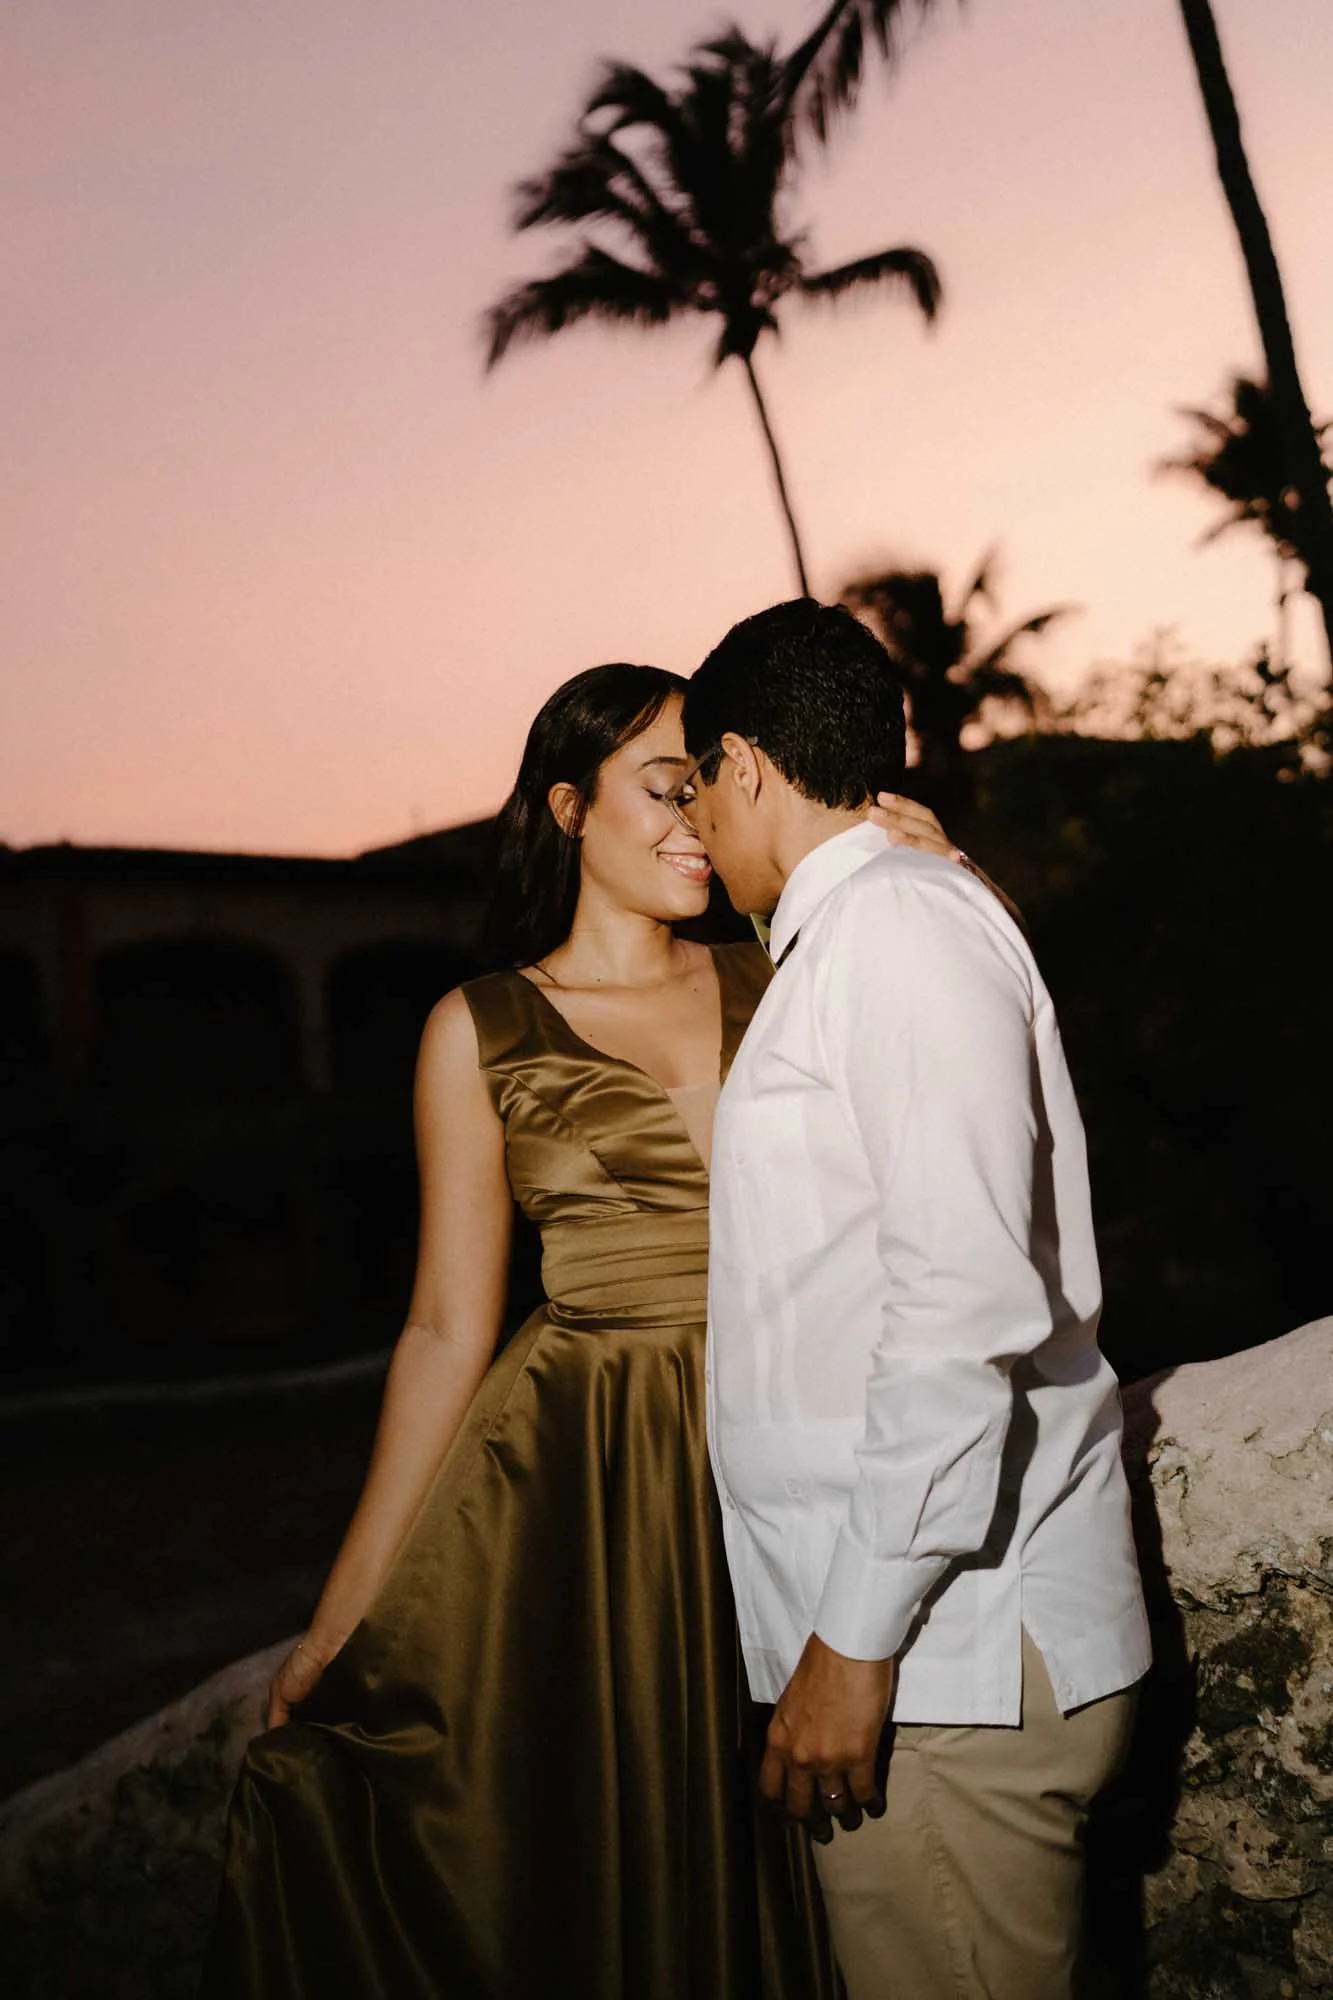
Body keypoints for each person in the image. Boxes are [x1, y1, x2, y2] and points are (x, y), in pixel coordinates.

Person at [202, 661, 959, 2000]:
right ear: (568, 808)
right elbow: (446, 1327)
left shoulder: (787, 969)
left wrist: (944, 879)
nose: (694, 821)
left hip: (787, 1440)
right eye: (664, 789)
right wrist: (339, 1616)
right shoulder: (477, 1030)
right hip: (593, 1477)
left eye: (709, 788)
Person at [677, 599, 1152, 2000]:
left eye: (697, 779)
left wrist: (853, 1641)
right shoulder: (871, 934)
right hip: (932, 1659)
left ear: (748, 764)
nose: (696, 817)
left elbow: (959, 1309)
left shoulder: (893, 932)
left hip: (944, 1661)